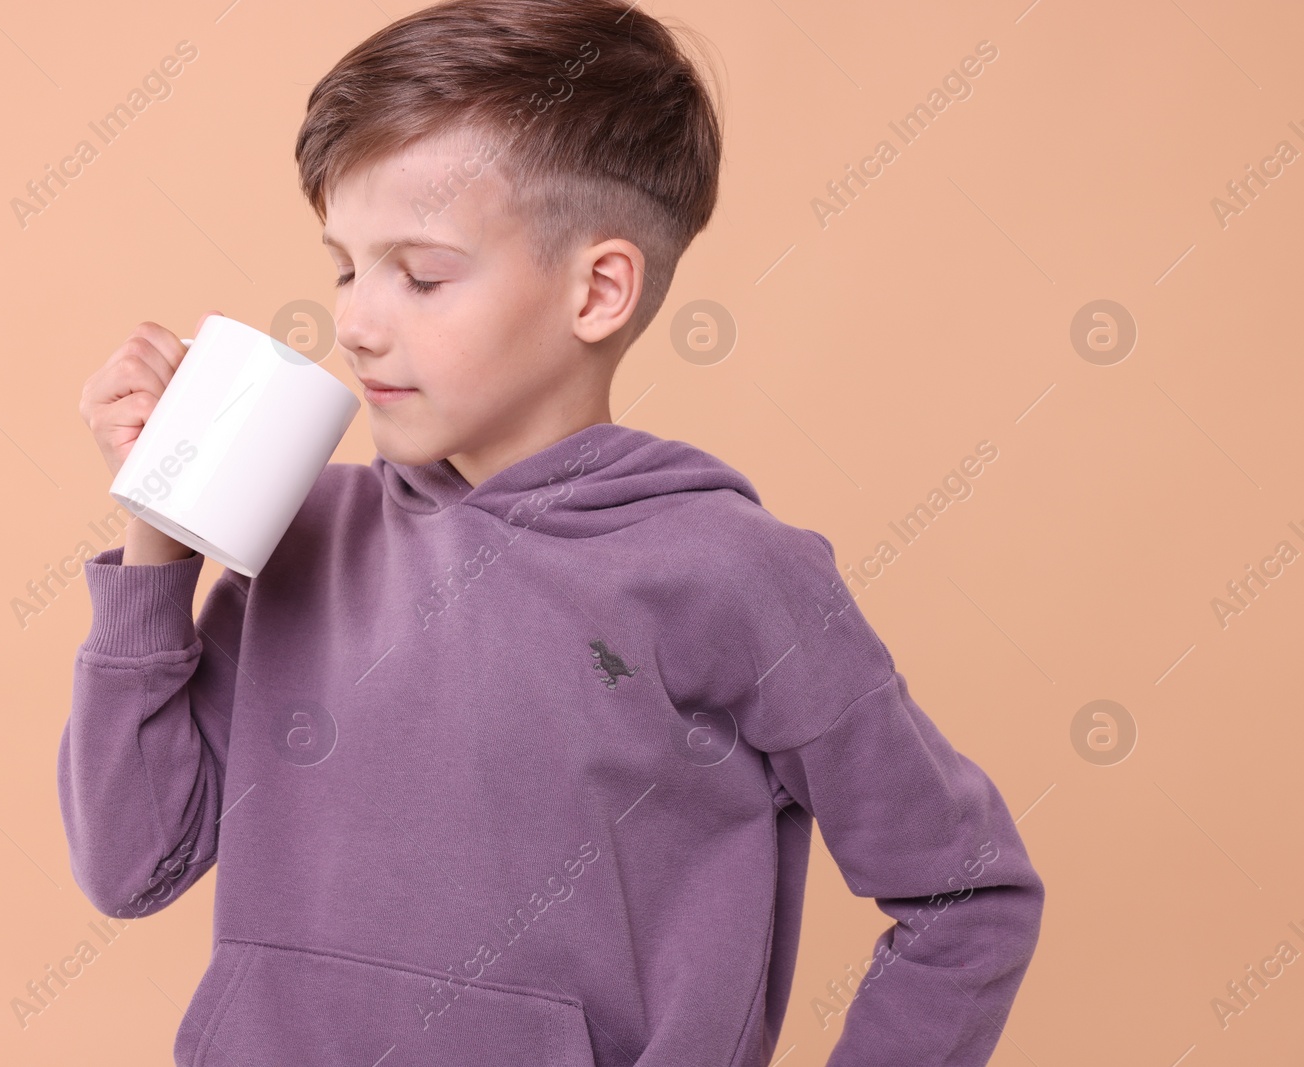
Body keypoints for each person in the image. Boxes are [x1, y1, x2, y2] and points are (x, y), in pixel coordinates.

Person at [60, 1, 1044, 1064]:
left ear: (598, 289)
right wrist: (161, 526)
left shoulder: (733, 575)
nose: (354, 320)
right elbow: (135, 864)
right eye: (345, 266)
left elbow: (967, 895)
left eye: (422, 273)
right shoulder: (309, 533)